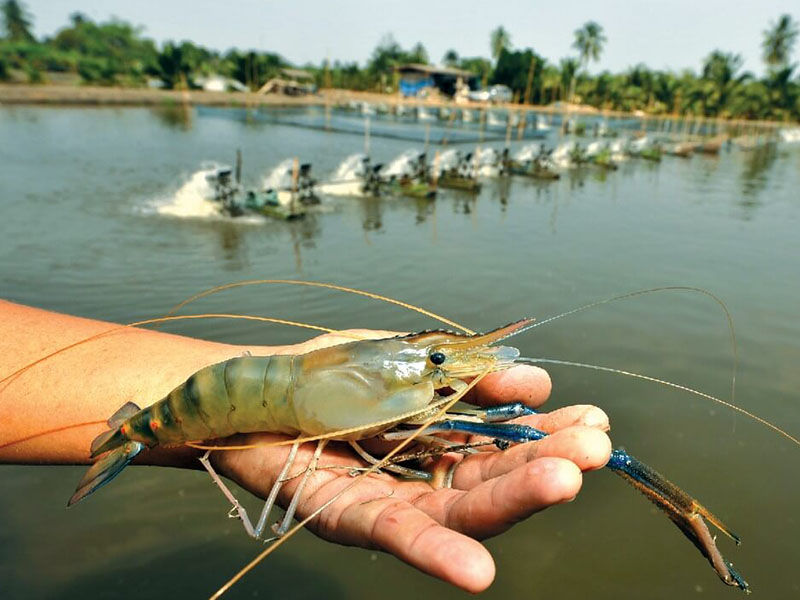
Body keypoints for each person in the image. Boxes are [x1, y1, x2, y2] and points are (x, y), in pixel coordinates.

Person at [0, 300, 611, 593]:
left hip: (242, 395)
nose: (442, 368)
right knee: (512, 431)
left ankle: (133, 433)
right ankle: (133, 436)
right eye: (433, 357)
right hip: (204, 407)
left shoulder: (396, 376)